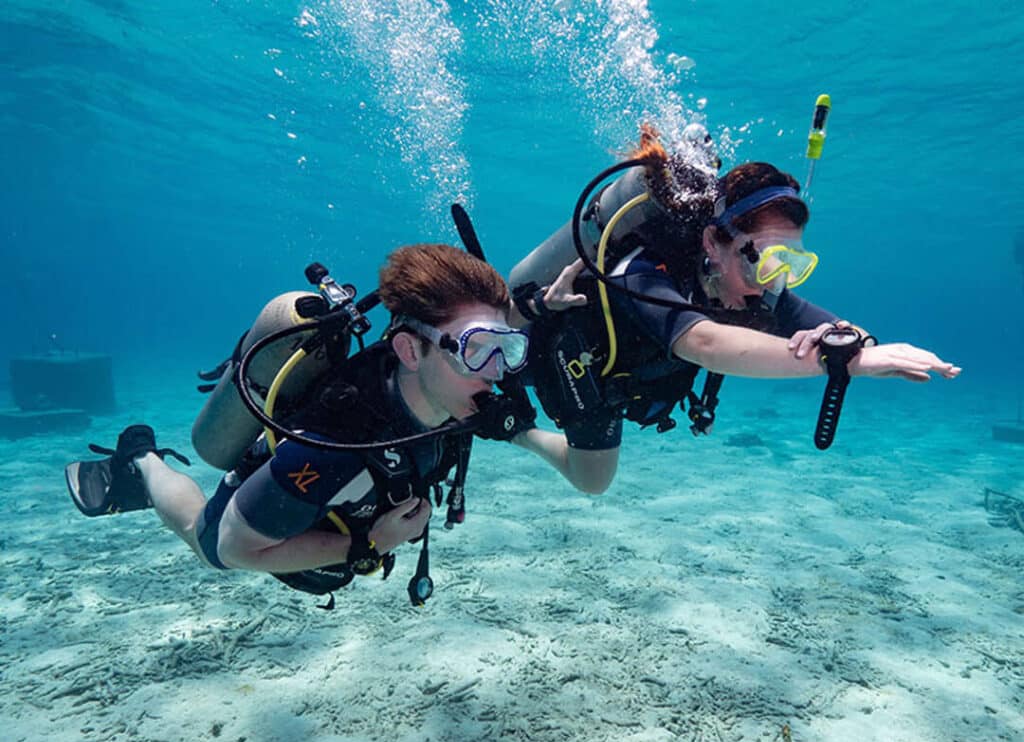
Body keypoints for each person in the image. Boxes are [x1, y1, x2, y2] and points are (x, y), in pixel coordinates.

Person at [65, 244, 534, 606]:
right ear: (410, 351)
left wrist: (546, 309)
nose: (496, 370)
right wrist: (369, 543)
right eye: (476, 349)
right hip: (270, 507)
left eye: (506, 348)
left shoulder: (452, 391)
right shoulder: (331, 447)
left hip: (343, 504)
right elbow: (235, 549)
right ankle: (141, 457)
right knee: (205, 542)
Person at [504, 128, 960, 494]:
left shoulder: (758, 288)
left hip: (611, 382)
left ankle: (517, 432)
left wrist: (853, 343)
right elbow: (704, 342)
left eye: (791, 263)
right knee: (583, 469)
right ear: (712, 244)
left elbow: (832, 325)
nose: (772, 279)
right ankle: (509, 421)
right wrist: (831, 361)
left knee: (593, 483)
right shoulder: (639, 271)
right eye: (762, 257)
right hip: (545, 356)